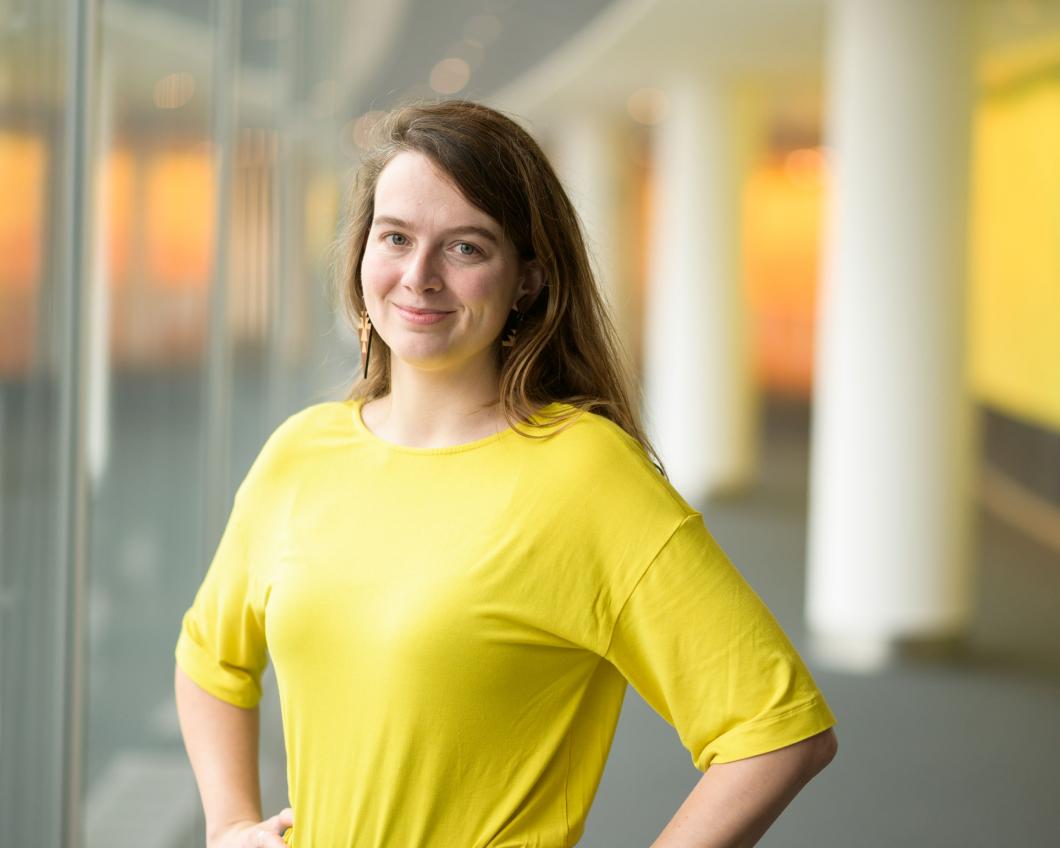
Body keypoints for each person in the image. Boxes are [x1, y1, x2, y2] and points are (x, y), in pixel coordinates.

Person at [174, 99, 838, 848]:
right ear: (363, 251)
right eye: (396, 237)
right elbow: (210, 657)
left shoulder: (585, 474)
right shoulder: (301, 452)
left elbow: (775, 730)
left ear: (526, 280)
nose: (418, 276)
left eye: (465, 249)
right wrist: (229, 824)